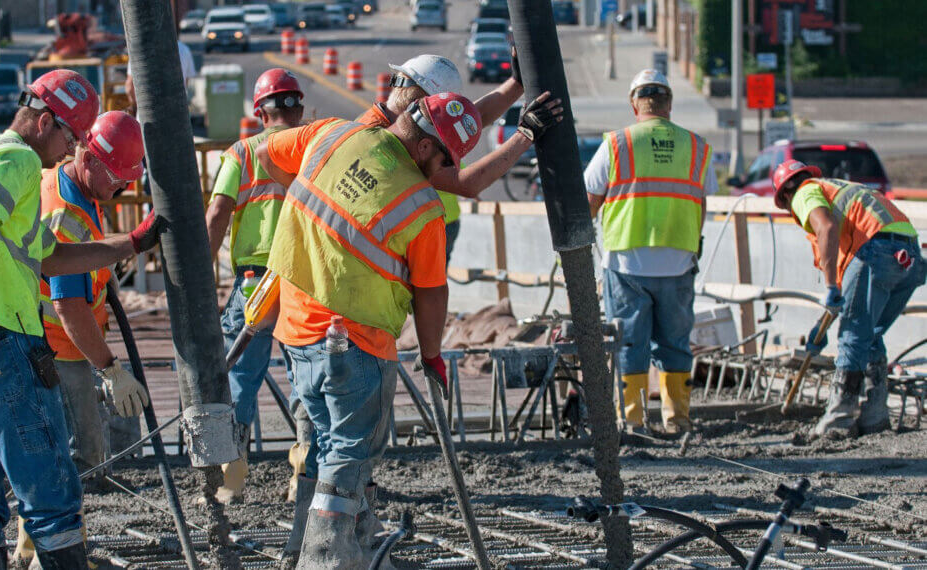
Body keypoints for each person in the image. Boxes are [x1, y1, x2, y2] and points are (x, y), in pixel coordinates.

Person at [261, 92, 552, 568]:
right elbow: (431, 295)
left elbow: (269, 156)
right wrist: (433, 355)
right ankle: (326, 557)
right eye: (444, 159)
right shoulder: (421, 207)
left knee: (322, 445)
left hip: (296, 332)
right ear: (422, 149)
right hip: (358, 343)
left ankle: (334, 545)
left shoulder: (334, 134)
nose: (445, 171)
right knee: (350, 453)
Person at [0, 70, 164, 570]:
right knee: (50, 486)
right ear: (45, 122)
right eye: (70, 137)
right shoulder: (19, 158)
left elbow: (48, 259)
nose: (70, 150)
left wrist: (130, 244)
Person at [12, 111, 151, 567]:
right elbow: (68, 305)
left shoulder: (68, 183)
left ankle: (37, 546)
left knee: (61, 453)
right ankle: (53, 554)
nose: (120, 192)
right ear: (89, 158)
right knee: (75, 454)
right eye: (117, 181)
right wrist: (110, 368)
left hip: (58, 344)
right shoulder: (67, 213)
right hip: (61, 349)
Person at [584, 69, 716, 437]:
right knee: (675, 343)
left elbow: (590, 200)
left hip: (627, 260)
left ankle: (634, 421)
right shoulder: (696, 147)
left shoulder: (617, 143)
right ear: (669, 103)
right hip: (678, 259)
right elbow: (700, 203)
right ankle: (678, 421)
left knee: (629, 343)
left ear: (634, 103)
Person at [203, 68, 306, 504]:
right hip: (305, 284)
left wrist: (201, 284)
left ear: (260, 114)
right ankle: (306, 473)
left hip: (255, 286)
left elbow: (217, 215)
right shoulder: (312, 151)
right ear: (298, 108)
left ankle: (232, 479)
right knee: (307, 377)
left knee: (240, 378)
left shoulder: (242, 153)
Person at [771, 159, 925, 437]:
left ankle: (838, 420)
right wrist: (823, 326)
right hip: (909, 259)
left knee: (853, 336)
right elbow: (849, 276)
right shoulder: (843, 190)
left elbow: (826, 228)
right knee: (870, 333)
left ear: (785, 197)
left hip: (876, 251)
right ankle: (875, 418)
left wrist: (830, 286)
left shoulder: (805, 192)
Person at [357, 54, 562, 260]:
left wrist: (516, 83)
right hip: (393, 246)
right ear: (423, 104)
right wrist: (526, 134)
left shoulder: (389, 121)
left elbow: (471, 119)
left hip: (417, 230)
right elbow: (466, 183)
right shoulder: (391, 143)